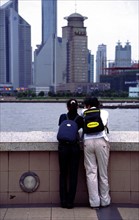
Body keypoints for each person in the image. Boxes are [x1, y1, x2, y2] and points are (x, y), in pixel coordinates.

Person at [82, 97, 111, 208]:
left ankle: (94, 202)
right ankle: (105, 200)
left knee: (91, 173)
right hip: (101, 141)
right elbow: (105, 124)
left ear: (88, 105)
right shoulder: (104, 112)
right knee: (103, 173)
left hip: (88, 142)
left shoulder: (84, 112)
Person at [57, 98, 84, 209]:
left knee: (63, 174)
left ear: (67, 107)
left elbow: (61, 129)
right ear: (77, 107)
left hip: (63, 148)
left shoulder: (63, 117)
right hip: (74, 147)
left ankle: (63, 201)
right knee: (73, 175)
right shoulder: (80, 119)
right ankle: (70, 202)